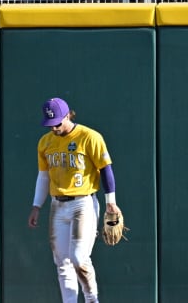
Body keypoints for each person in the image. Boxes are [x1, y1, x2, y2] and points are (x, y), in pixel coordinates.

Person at [27, 97, 120, 303]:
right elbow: (43, 176)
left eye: (58, 122)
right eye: (50, 124)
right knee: (62, 262)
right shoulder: (45, 142)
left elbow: (105, 169)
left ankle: (91, 299)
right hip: (57, 205)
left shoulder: (89, 136)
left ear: (69, 115)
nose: (54, 128)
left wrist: (110, 201)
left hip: (82, 203)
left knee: (79, 258)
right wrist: (36, 205)